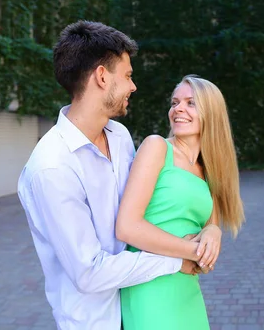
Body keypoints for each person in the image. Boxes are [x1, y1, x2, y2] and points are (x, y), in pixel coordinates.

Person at [16, 21, 199, 330]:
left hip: (142, 307)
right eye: (127, 76)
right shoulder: (52, 167)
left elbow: (148, 209)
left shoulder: (119, 136)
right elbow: (90, 272)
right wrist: (174, 261)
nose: (133, 86)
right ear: (102, 76)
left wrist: (209, 230)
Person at [116, 74, 246, 330]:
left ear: (211, 113)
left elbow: (212, 223)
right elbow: (127, 227)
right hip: (150, 286)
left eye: (190, 103)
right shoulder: (157, 147)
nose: (178, 109)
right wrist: (193, 253)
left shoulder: (208, 169)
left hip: (186, 289)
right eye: (175, 102)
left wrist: (213, 231)